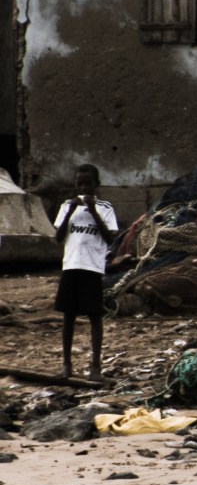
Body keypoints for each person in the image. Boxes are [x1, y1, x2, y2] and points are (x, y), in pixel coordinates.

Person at [53, 163, 118, 380]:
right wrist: (72, 210)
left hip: (92, 268)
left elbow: (110, 238)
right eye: (79, 183)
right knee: (69, 316)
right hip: (71, 265)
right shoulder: (66, 206)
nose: (83, 188)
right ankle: (66, 365)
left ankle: (96, 366)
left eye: (88, 184)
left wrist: (93, 211)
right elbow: (58, 237)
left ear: (96, 185)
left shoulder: (105, 207)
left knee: (94, 316)